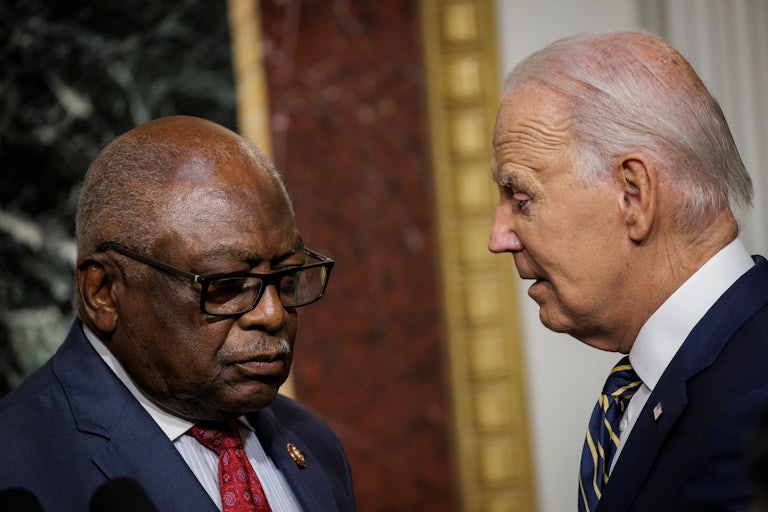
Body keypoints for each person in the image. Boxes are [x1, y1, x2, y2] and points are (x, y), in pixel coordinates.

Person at [0, 116, 355, 511]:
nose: (272, 315)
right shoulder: (16, 463)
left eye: (286, 277)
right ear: (103, 292)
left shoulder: (315, 446)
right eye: (225, 284)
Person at [488, 30, 768, 511]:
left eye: (521, 198)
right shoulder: (651, 384)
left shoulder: (755, 405)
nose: (498, 238)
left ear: (632, 196)